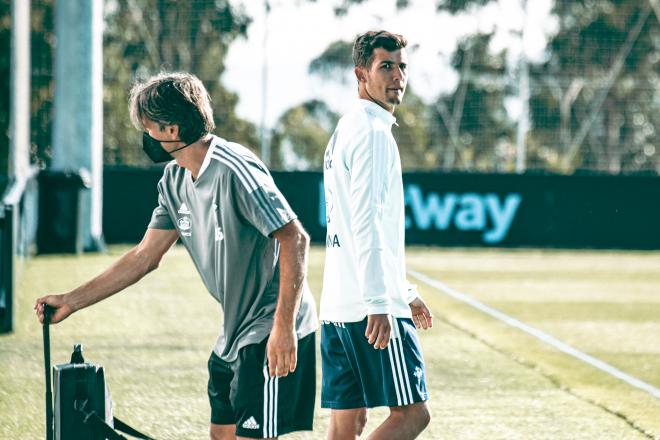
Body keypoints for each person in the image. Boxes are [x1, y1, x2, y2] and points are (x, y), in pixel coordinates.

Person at [35, 72, 318, 440]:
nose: (145, 136)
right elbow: (144, 256)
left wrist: (283, 328)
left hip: (272, 326)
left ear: (171, 130)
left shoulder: (234, 169)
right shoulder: (173, 180)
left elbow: (295, 238)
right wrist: (71, 301)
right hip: (232, 334)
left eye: (148, 127)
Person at [320, 30, 434, 439]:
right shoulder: (371, 133)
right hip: (369, 308)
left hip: (336, 307)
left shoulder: (345, 129)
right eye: (385, 66)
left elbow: (353, 225)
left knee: (347, 424)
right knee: (413, 415)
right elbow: (366, 223)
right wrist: (381, 302)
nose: (397, 76)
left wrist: (403, 290)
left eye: (402, 66)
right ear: (360, 73)